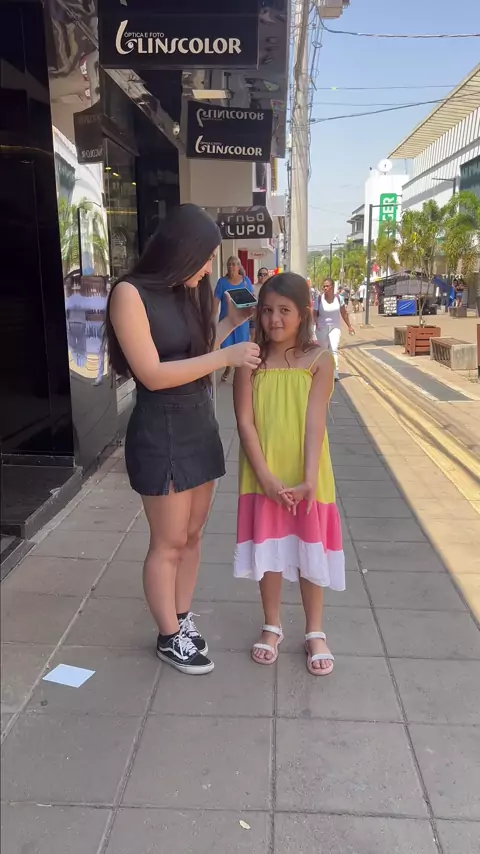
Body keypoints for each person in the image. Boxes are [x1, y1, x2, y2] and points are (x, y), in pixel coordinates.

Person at [106, 204, 260, 675]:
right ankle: (168, 635)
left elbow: (194, 356)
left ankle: (182, 617)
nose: (210, 268)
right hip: (162, 429)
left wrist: (228, 325)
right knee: (169, 540)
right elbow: (153, 374)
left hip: (198, 423)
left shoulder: (188, 292)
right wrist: (226, 357)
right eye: (206, 258)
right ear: (182, 250)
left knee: (192, 535)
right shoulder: (129, 294)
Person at [233, 272, 345, 676]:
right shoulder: (249, 360)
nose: (274, 319)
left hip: (306, 473)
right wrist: (264, 476)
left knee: (310, 548)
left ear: (304, 314)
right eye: (266, 310)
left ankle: (315, 631)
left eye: (284, 310)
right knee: (270, 552)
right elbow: (245, 423)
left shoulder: (320, 360)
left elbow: (315, 423)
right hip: (262, 473)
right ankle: (272, 624)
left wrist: (309, 478)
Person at [213, 256, 254, 382]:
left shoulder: (245, 281)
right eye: (229, 264)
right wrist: (211, 320)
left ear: (239, 266)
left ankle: (240, 375)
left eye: (234, 264)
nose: (231, 266)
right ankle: (228, 368)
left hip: (241, 322)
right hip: (226, 321)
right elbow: (215, 302)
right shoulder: (222, 282)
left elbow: (251, 298)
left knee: (241, 349)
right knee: (226, 348)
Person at [314, 277, 355, 381]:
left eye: (327, 286)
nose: (325, 288)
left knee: (334, 349)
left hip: (335, 328)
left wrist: (349, 326)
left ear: (332, 287)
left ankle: (334, 373)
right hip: (321, 328)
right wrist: (316, 323)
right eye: (324, 286)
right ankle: (323, 371)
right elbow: (314, 313)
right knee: (323, 350)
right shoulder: (319, 299)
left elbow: (344, 313)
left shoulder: (339, 299)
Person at [250, 267, 269, 340]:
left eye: (265, 274)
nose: (262, 276)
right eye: (260, 274)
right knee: (253, 337)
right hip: (255, 316)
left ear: (268, 276)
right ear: (258, 276)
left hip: (267, 316)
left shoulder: (271, 288)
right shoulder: (252, 287)